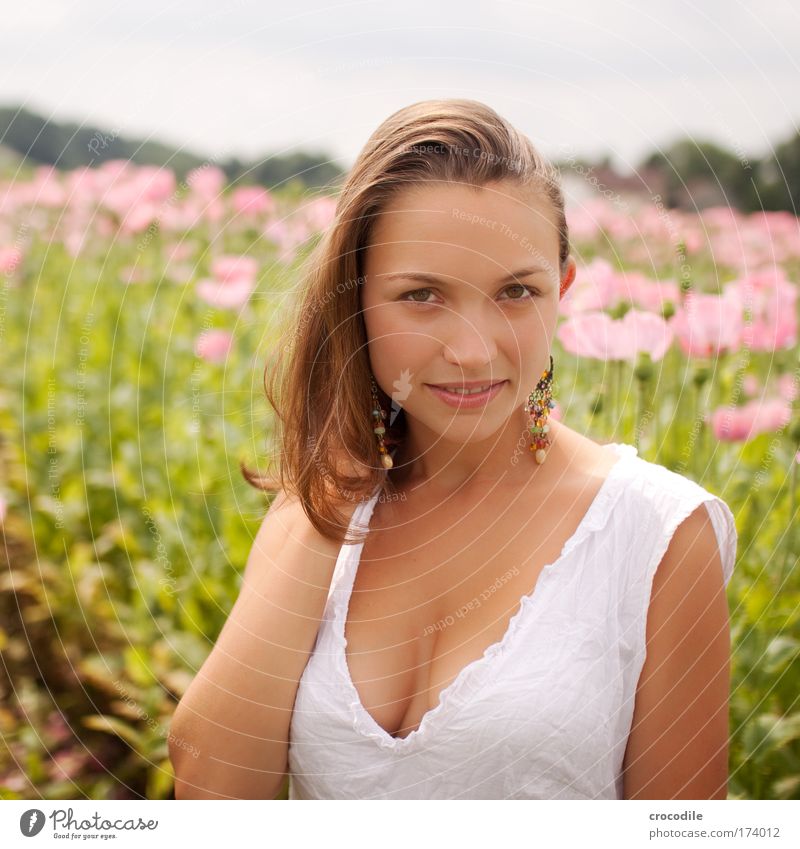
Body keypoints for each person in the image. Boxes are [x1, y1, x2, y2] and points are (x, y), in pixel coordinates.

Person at [170, 98, 737, 800]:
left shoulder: (658, 534)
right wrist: (334, 493)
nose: (471, 351)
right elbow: (211, 789)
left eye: (516, 291)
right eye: (421, 295)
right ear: (355, 301)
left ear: (562, 290)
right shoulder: (313, 510)